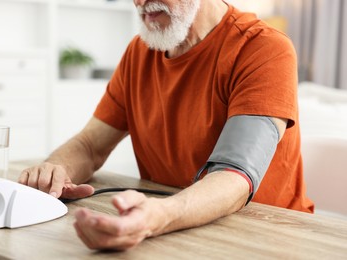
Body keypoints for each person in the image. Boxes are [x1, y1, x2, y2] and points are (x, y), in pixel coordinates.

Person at [19, 0, 314, 251]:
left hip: (266, 239)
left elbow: (235, 176)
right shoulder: (139, 52)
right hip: (177, 230)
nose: (139, 1)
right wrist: (55, 170)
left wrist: (157, 216)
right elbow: (90, 145)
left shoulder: (263, 48)